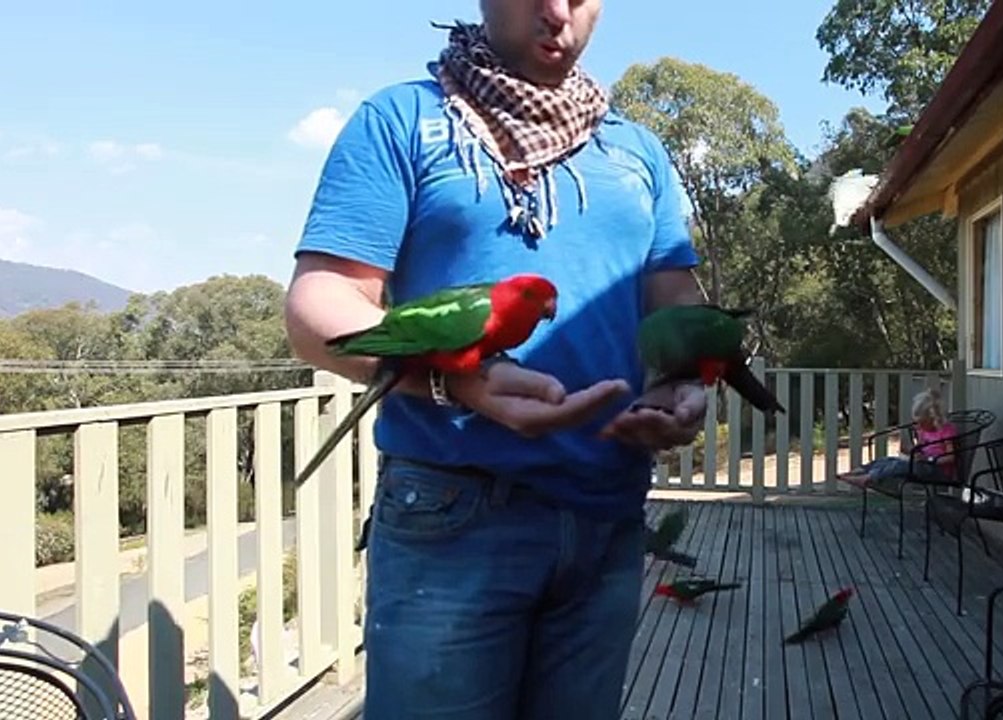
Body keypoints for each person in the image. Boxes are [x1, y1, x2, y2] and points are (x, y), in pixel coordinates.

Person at [282, 1, 708, 718]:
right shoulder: (401, 122)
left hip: (608, 515)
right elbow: (319, 308)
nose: (556, 12)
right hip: (451, 513)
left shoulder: (639, 154)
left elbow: (674, 302)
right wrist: (460, 383)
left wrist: (682, 383)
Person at [839, 388, 958, 489]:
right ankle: (860, 471)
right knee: (888, 460)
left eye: (921, 423)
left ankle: (867, 478)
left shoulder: (946, 431)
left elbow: (950, 457)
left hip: (938, 471)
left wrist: (929, 459)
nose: (918, 426)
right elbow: (921, 449)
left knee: (898, 466)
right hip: (921, 465)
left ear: (933, 419)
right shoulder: (923, 431)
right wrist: (912, 451)